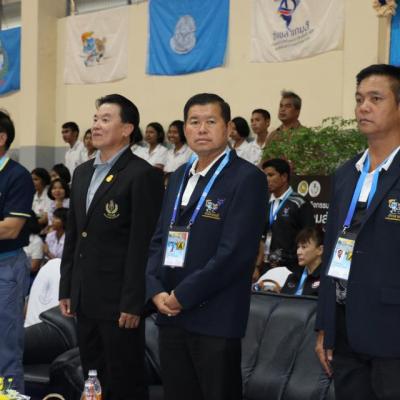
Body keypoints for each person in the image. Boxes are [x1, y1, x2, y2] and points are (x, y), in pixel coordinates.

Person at [146, 93, 268, 400]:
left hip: (215, 318)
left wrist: (182, 296)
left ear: (228, 128)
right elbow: (159, 239)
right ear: (184, 128)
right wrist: (155, 289)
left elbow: (235, 254)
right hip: (170, 313)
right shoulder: (178, 177)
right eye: (194, 122)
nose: (201, 129)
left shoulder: (247, 178)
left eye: (211, 122)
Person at [59, 93, 164, 400]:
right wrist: (68, 287)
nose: (96, 125)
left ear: (127, 129)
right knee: (93, 379)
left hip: (120, 301)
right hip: (85, 296)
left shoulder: (142, 174)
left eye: (106, 120)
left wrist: (133, 302)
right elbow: (75, 235)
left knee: (124, 380)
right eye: (95, 119)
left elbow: (143, 244)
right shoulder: (82, 172)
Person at [315, 64, 400, 400]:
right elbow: (331, 252)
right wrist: (325, 325)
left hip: (392, 333)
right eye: (359, 99)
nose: (363, 107)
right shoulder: (346, 173)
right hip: (346, 329)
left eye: (375, 99)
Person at [0, 110, 35, 392]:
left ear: (1, 138)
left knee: (5, 346)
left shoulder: (17, 176)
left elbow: (10, 228)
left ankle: (9, 396)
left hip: (6, 268)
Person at [259, 158, 315, 274]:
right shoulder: (264, 203)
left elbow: (309, 237)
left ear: (284, 177)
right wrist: (257, 266)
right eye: (264, 176)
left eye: (271, 175)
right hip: (266, 267)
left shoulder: (300, 203)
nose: (266, 179)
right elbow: (260, 237)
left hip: (292, 269)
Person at [281, 226, 323, 296]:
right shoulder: (292, 277)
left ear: (320, 250)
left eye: (304, 247)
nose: (298, 252)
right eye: (298, 247)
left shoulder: (327, 280)